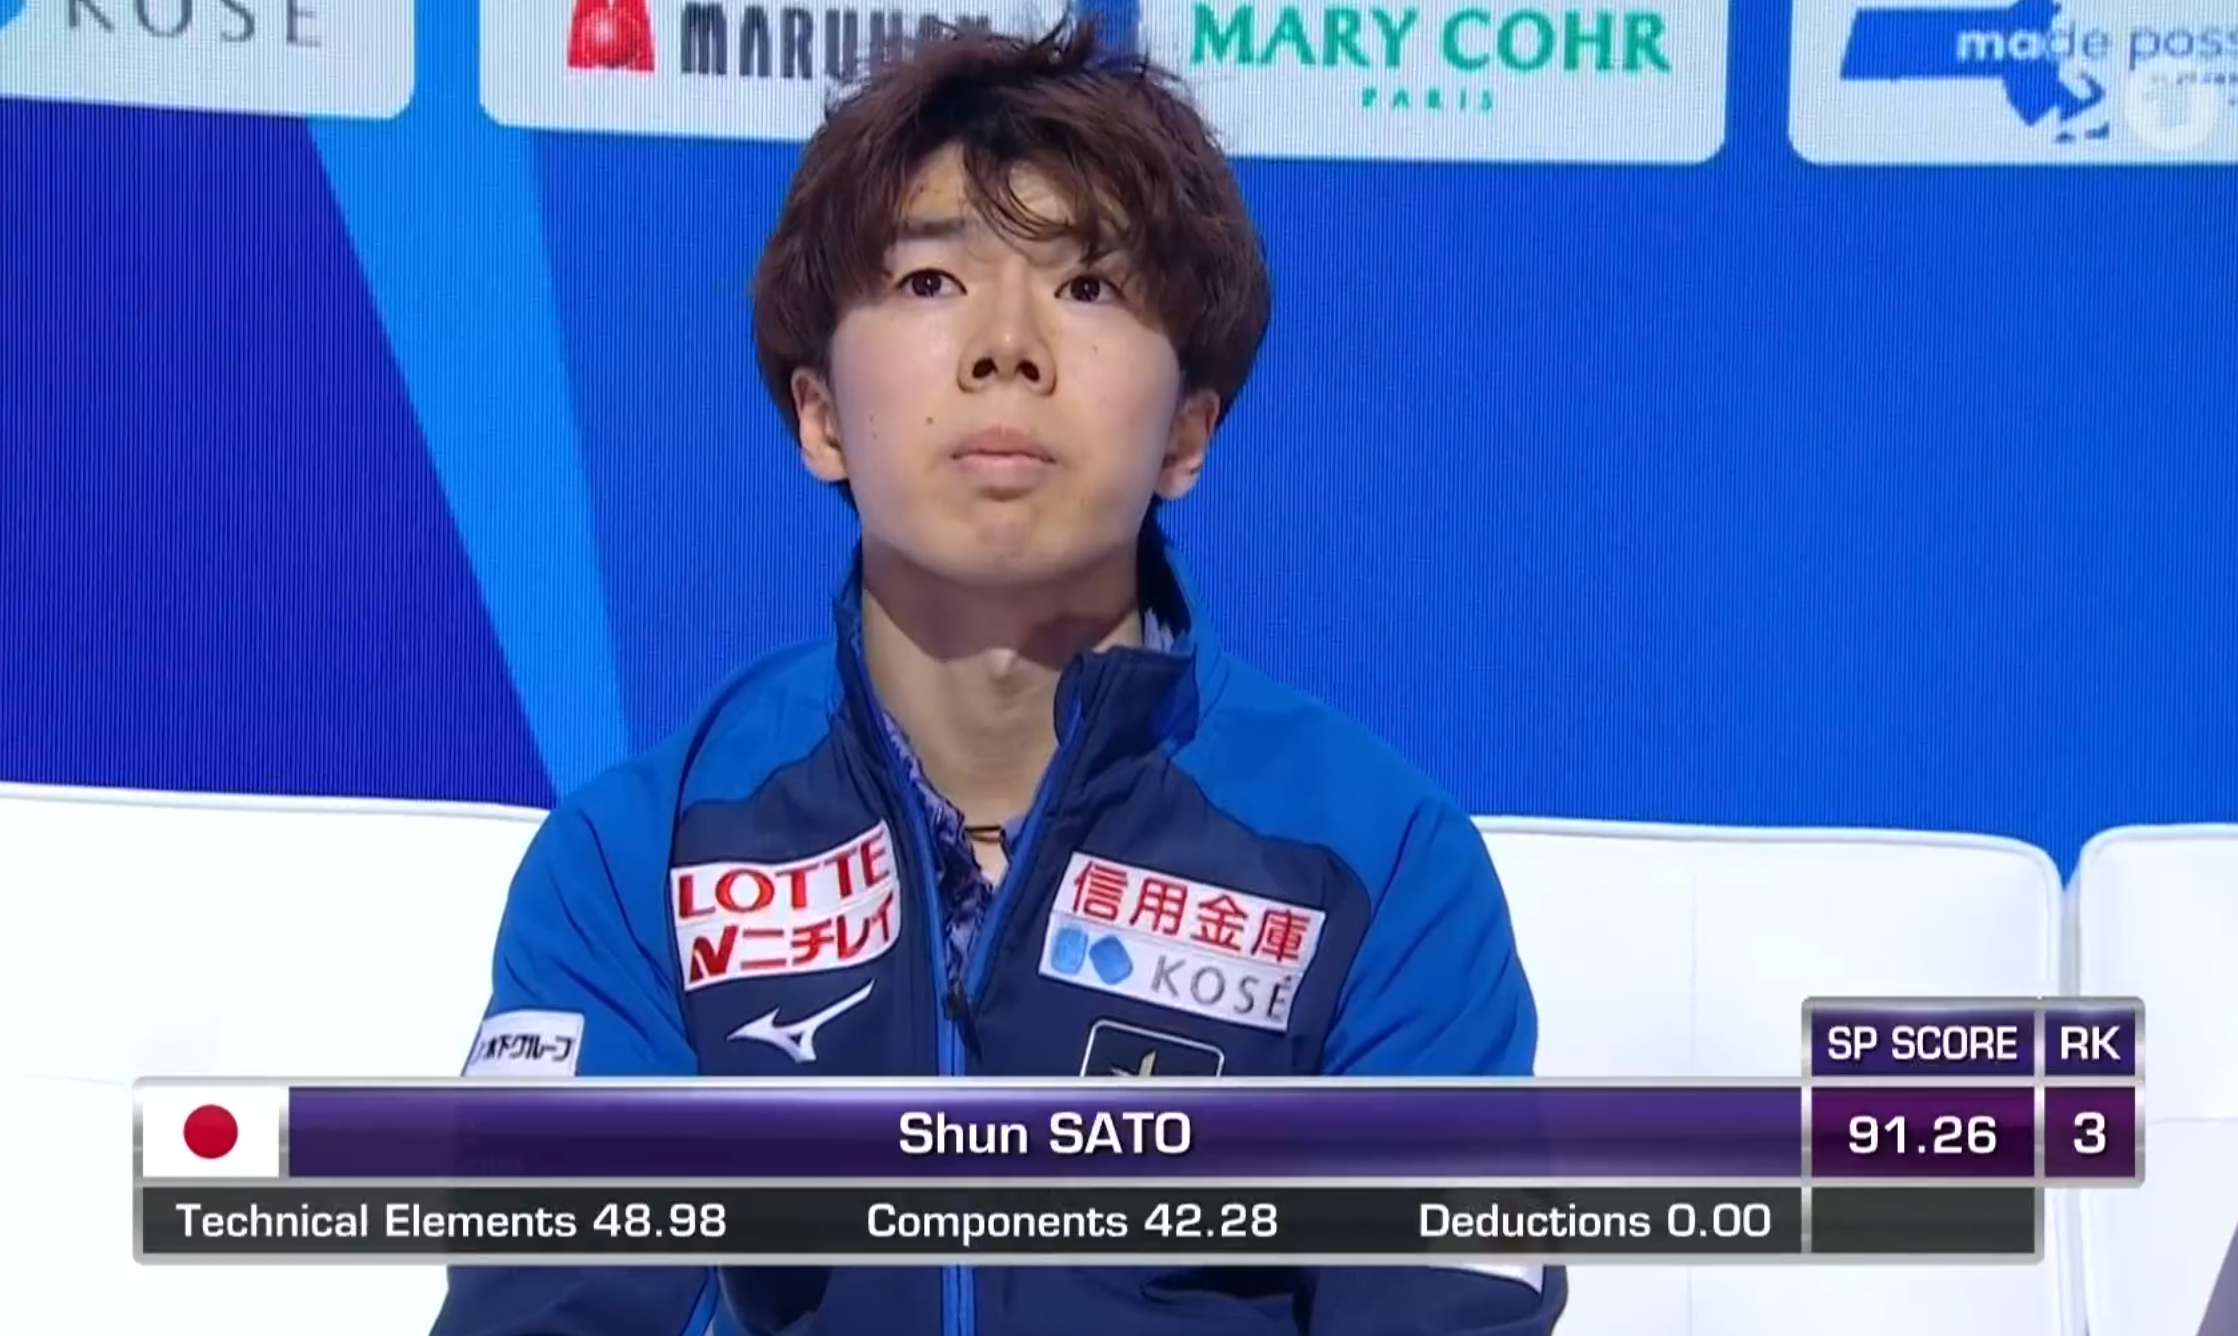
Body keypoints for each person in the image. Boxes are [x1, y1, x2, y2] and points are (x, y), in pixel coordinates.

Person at [432, 14, 1561, 1336]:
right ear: (817, 415)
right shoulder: (638, 861)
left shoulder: (1382, 868)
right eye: (929, 281)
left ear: (1187, 432)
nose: (1006, 345)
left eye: (1087, 288)